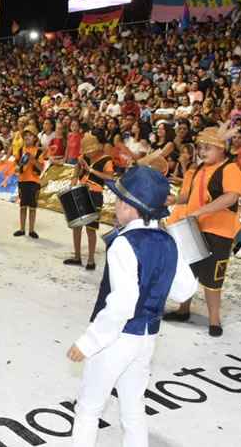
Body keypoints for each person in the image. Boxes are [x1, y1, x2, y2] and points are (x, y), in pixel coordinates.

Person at [68, 164, 197, 447]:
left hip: (115, 339)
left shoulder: (124, 244)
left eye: (118, 199)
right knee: (134, 407)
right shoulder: (169, 241)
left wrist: (89, 342)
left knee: (88, 409)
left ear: (127, 205)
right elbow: (187, 288)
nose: (115, 203)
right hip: (147, 339)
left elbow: (123, 304)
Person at [163, 125, 241, 337]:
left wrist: (200, 211)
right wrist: (175, 200)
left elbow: (231, 196)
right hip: (194, 228)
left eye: (208, 148)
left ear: (222, 149)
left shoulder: (230, 169)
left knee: (212, 277)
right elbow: (190, 195)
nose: (203, 152)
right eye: (201, 147)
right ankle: (183, 309)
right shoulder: (200, 168)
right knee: (189, 271)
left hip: (218, 232)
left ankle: (214, 320)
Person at [64, 135, 114, 270]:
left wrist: (90, 170)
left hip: (95, 194)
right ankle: (77, 256)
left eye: (90, 151)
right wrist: (75, 176)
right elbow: (77, 165)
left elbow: (110, 177)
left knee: (91, 228)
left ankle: (91, 260)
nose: (88, 154)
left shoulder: (106, 160)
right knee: (77, 225)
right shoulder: (84, 157)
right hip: (81, 191)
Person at [13, 126, 45, 238]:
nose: (27, 137)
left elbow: (41, 168)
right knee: (23, 206)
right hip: (22, 180)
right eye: (25, 135)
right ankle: (22, 229)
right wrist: (17, 166)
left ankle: (31, 230)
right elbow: (16, 163)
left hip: (34, 181)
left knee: (32, 207)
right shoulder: (20, 150)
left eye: (30, 135)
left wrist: (33, 159)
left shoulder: (38, 152)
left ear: (35, 138)